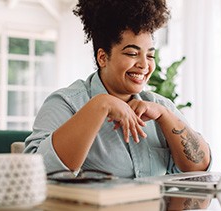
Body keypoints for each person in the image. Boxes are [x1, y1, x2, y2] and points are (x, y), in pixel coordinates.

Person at [24, 0, 211, 178]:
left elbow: (200, 168)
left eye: (150, 55)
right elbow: (35, 173)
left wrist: (165, 116)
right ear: (102, 57)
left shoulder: (159, 106)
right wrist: (100, 105)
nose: (144, 65)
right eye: (132, 53)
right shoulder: (66, 103)